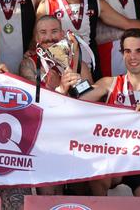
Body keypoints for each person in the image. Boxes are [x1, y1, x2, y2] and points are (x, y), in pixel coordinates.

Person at [59, 28, 140, 197]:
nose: (133, 57)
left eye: (139, 51)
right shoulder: (109, 84)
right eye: (127, 51)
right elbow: (76, 101)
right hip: (113, 160)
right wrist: (63, 88)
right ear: (122, 54)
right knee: (96, 173)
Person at [37, 0, 140, 80]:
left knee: (91, 98)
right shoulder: (47, 5)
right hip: (59, 70)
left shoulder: (95, 2)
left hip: (91, 69)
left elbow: (127, 23)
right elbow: (36, 42)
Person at [19, 15, 92, 195]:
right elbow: (34, 104)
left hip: (76, 136)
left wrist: (74, 85)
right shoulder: (29, 65)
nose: (49, 37)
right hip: (45, 137)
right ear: (36, 38)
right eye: (43, 33)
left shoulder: (79, 63)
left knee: (83, 189)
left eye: (54, 32)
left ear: (62, 34)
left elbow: (91, 101)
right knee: (49, 192)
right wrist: (61, 88)